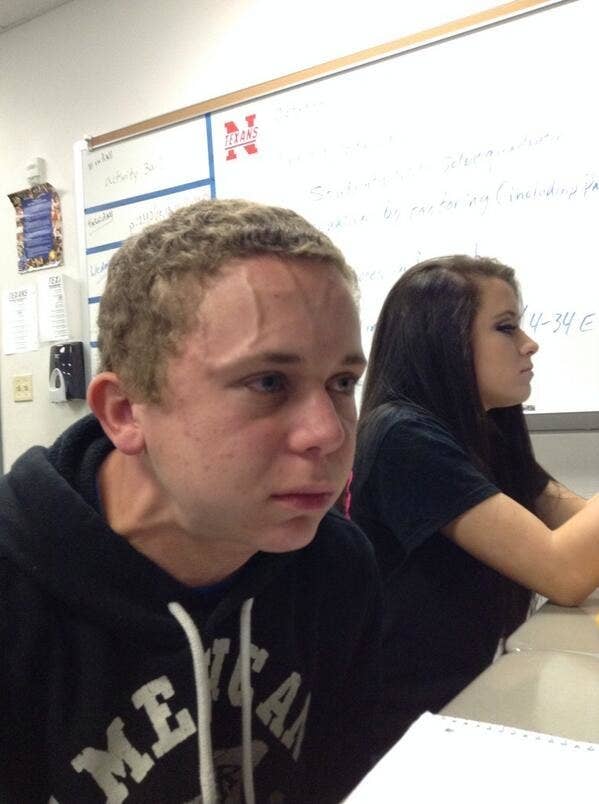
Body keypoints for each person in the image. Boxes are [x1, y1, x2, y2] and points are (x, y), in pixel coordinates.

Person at [0, 198, 383, 803]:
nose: (329, 433)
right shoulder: (17, 596)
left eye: (342, 383)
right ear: (125, 413)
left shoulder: (335, 568)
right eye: (268, 382)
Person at [349, 254, 599, 744]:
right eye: (506, 328)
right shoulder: (402, 435)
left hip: (477, 686)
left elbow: (569, 522)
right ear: (443, 340)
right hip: (409, 725)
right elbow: (563, 573)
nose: (530, 344)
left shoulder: (483, 428)